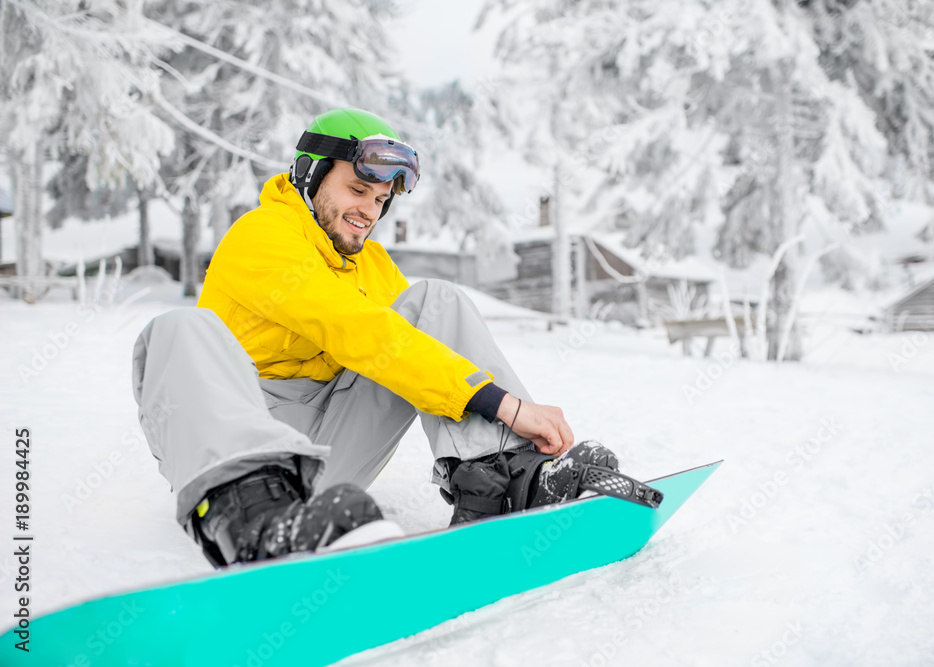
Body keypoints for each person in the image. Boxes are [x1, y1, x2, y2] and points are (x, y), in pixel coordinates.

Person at [131, 108, 622, 568]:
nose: (369, 209)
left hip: (329, 453)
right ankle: (259, 522)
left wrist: (500, 415)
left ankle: (504, 481)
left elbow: (411, 350)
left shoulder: (374, 267)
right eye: (358, 189)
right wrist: (507, 404)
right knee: (176, 329)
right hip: (246, 450)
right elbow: (353, 327)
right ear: (312, 175)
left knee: (435, 301)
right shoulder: (261, 235)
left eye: (381, 200)